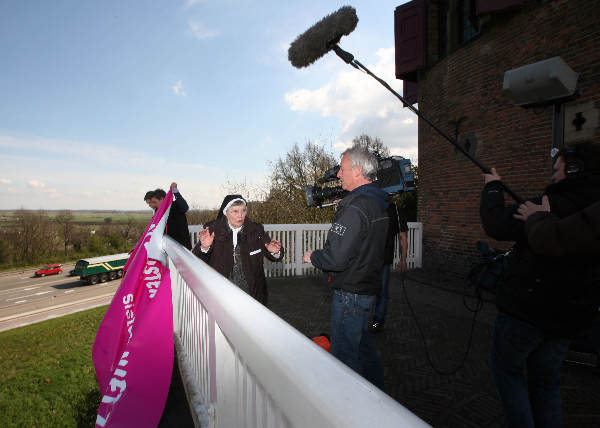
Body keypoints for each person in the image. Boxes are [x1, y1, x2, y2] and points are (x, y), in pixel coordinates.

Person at [480, 142, 600, 428]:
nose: (553, 177)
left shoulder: (547, 206)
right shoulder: (593, 211)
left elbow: (496, 224)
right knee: (546, 384)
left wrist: (493, 187)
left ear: (574, 170)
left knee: (507, 373)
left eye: (558, 171)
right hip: (568, 320)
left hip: (527, 313)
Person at [303, 147, 389, 391]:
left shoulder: (355, 207)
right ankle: (379, 396)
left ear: (358, 171)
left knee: (344, 357)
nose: (338, 175)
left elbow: (336, 258)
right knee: (364, 348)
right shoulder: (376, 202)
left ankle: (348, 408)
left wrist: (314, 257)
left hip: (350, 294)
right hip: (366, 289)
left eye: (342, 169)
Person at [192, 195, 283, 305]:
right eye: (235, 211)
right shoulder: (212, 230)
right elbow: (195, 258)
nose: (240, 215)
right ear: (226, 212)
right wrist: (205, 247)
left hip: (252, 293)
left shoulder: (256, 230)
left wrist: (275, 251)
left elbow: (273, 253)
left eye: (243, 210)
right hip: (221, 294)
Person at [370, 195, 408, 333]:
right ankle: (376, 323)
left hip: (372, 259)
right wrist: (403, 259)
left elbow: (402, 236)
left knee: (369, 291)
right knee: (382, 293)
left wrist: (403, 260)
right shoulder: (395, 210)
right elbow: (402, 236)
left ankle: (372, 323)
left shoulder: (372, 206)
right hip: (380, 259)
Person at [145, 183, 192, 250]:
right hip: (168, 247)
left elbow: (185, 208)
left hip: (182, 246)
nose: (154, 205)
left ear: (162, 199)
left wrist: (175, 191)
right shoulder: (158, 210)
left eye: (155, 202)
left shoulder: (176, 205)